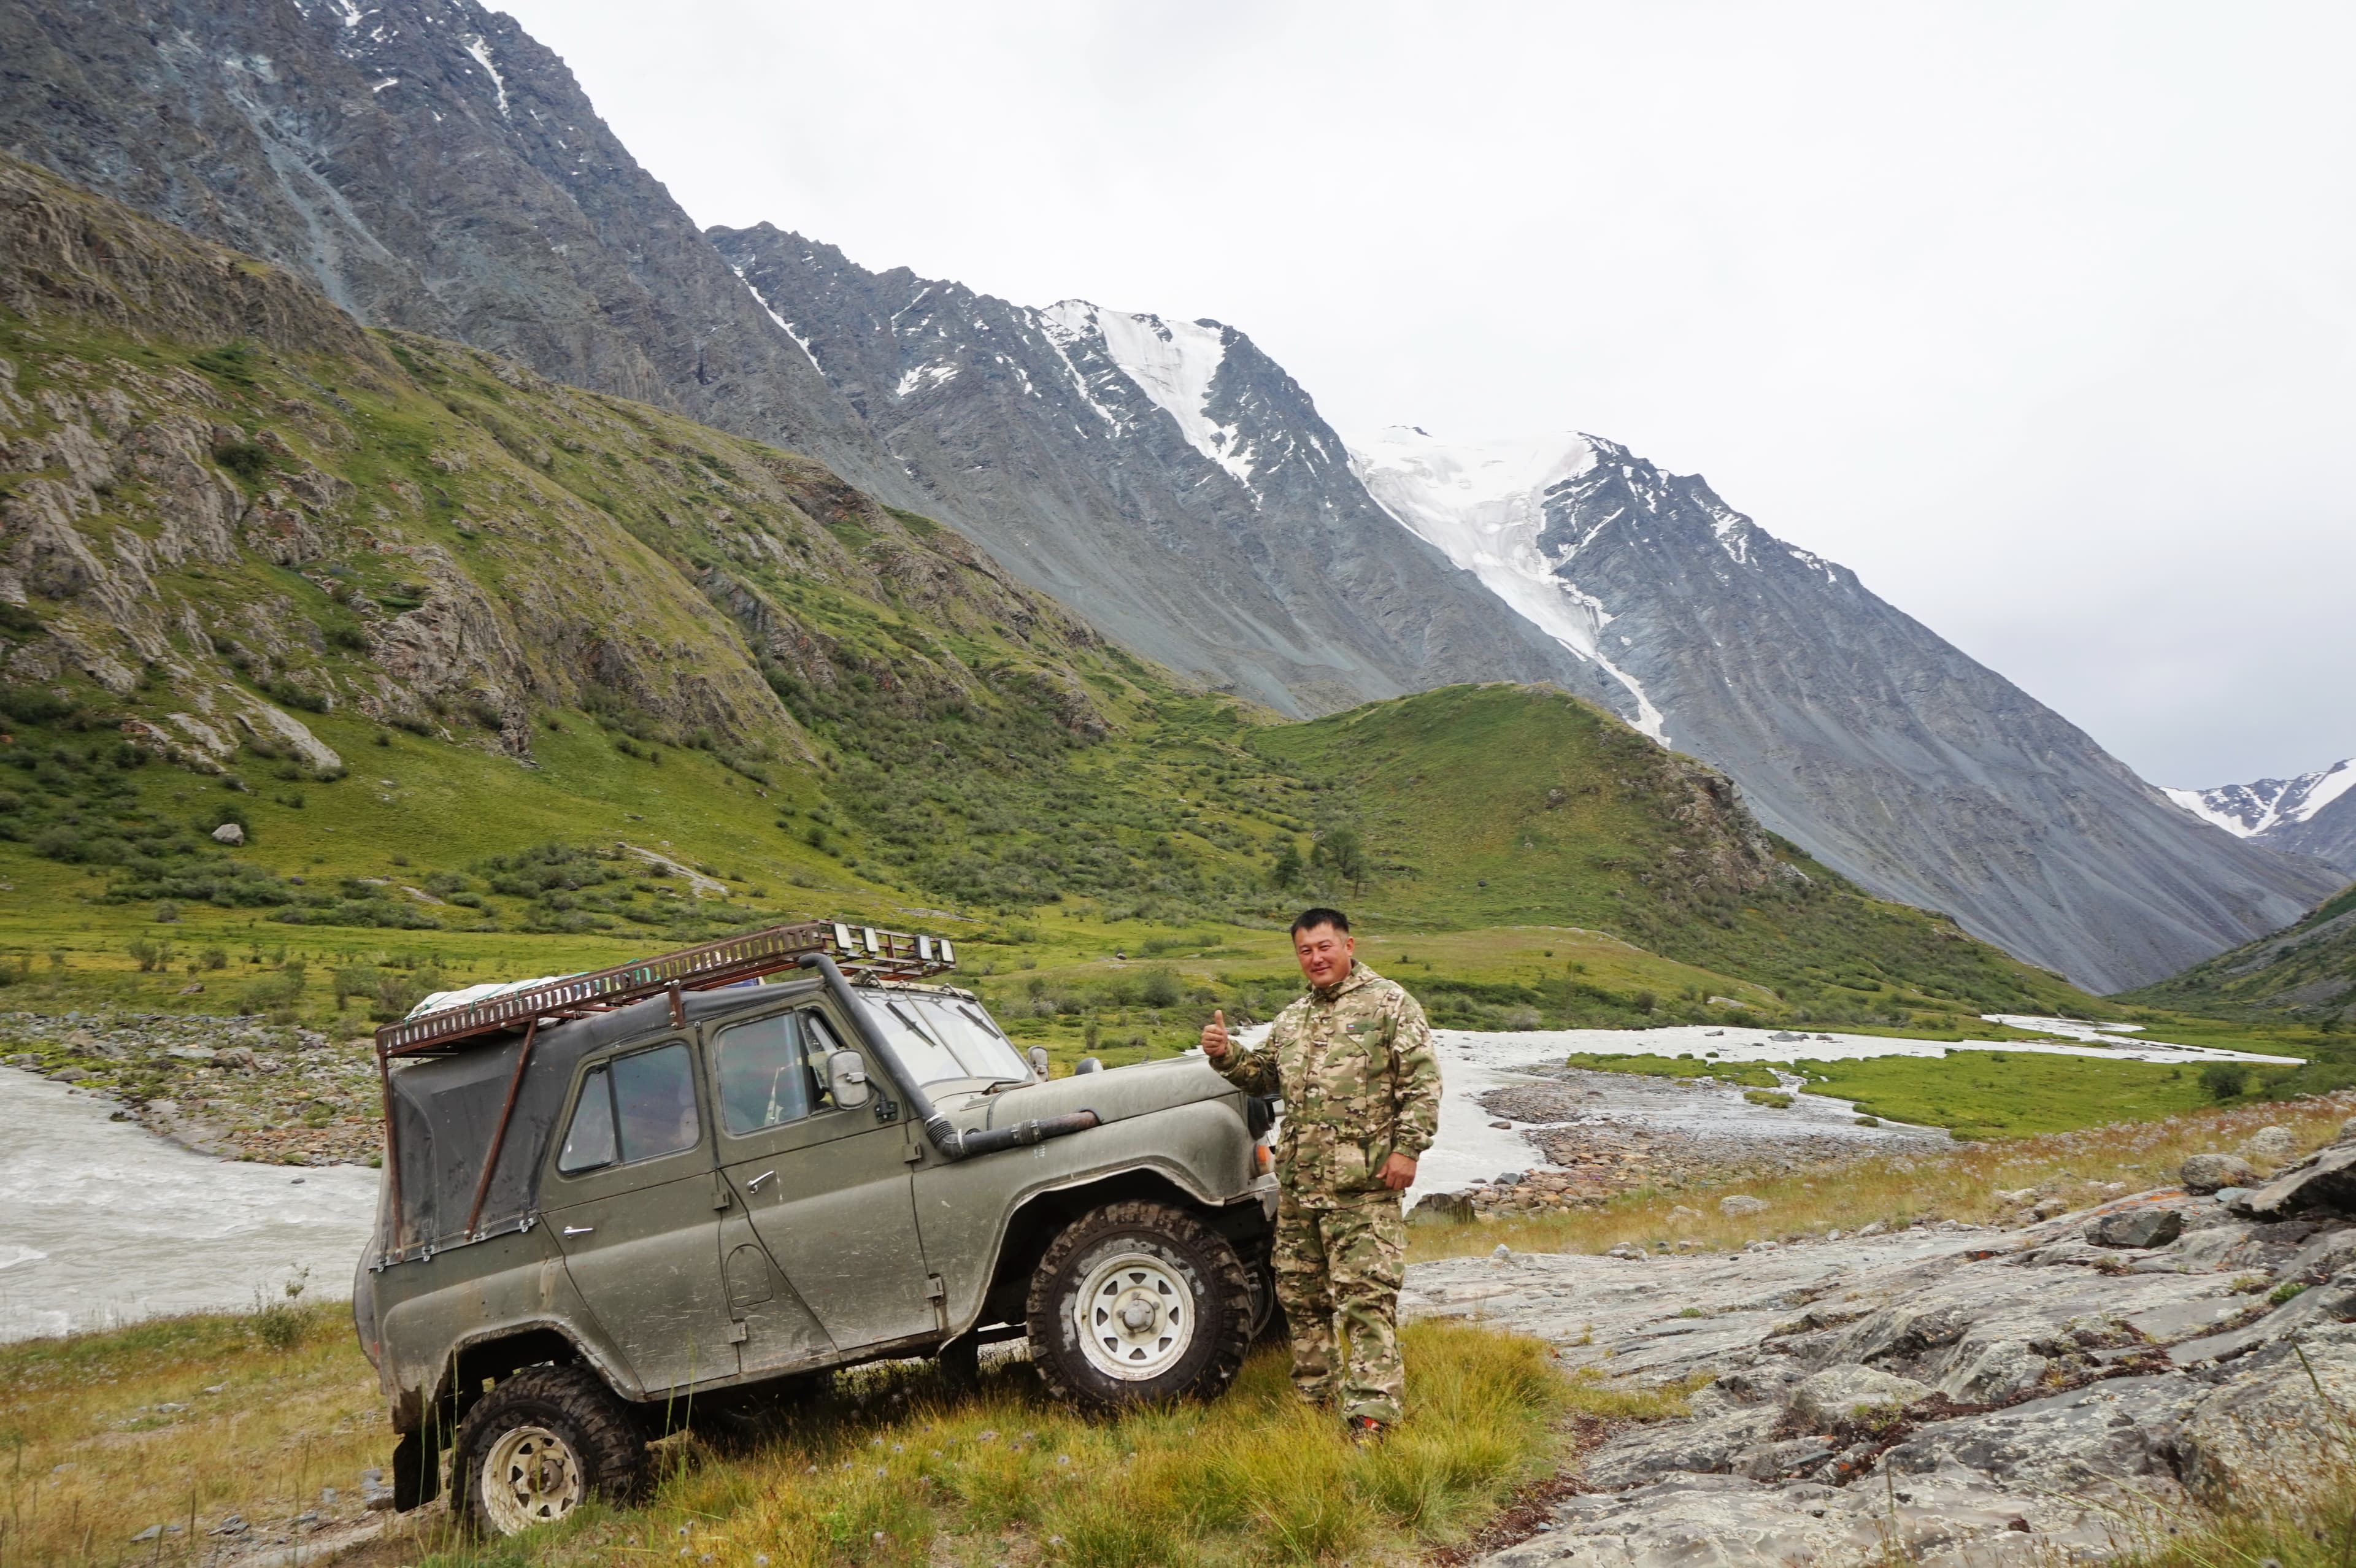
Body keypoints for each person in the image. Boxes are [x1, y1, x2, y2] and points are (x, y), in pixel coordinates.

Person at [1199, 907, 1440, 1439]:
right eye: (1305, 951)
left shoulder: (1390, 1003)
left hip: (1365, 1186)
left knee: (1366, 1298)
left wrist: (1409, 1150)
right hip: (1303, 1187)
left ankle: (1373, 1413)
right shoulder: (1292, 1019)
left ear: (1349, 944)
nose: (1316, 958)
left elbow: (1422, 1083)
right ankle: (1314, 1399)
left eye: (1325, 947)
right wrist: (1225, 1054)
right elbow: (1263, 1077)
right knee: (1302, 1298)